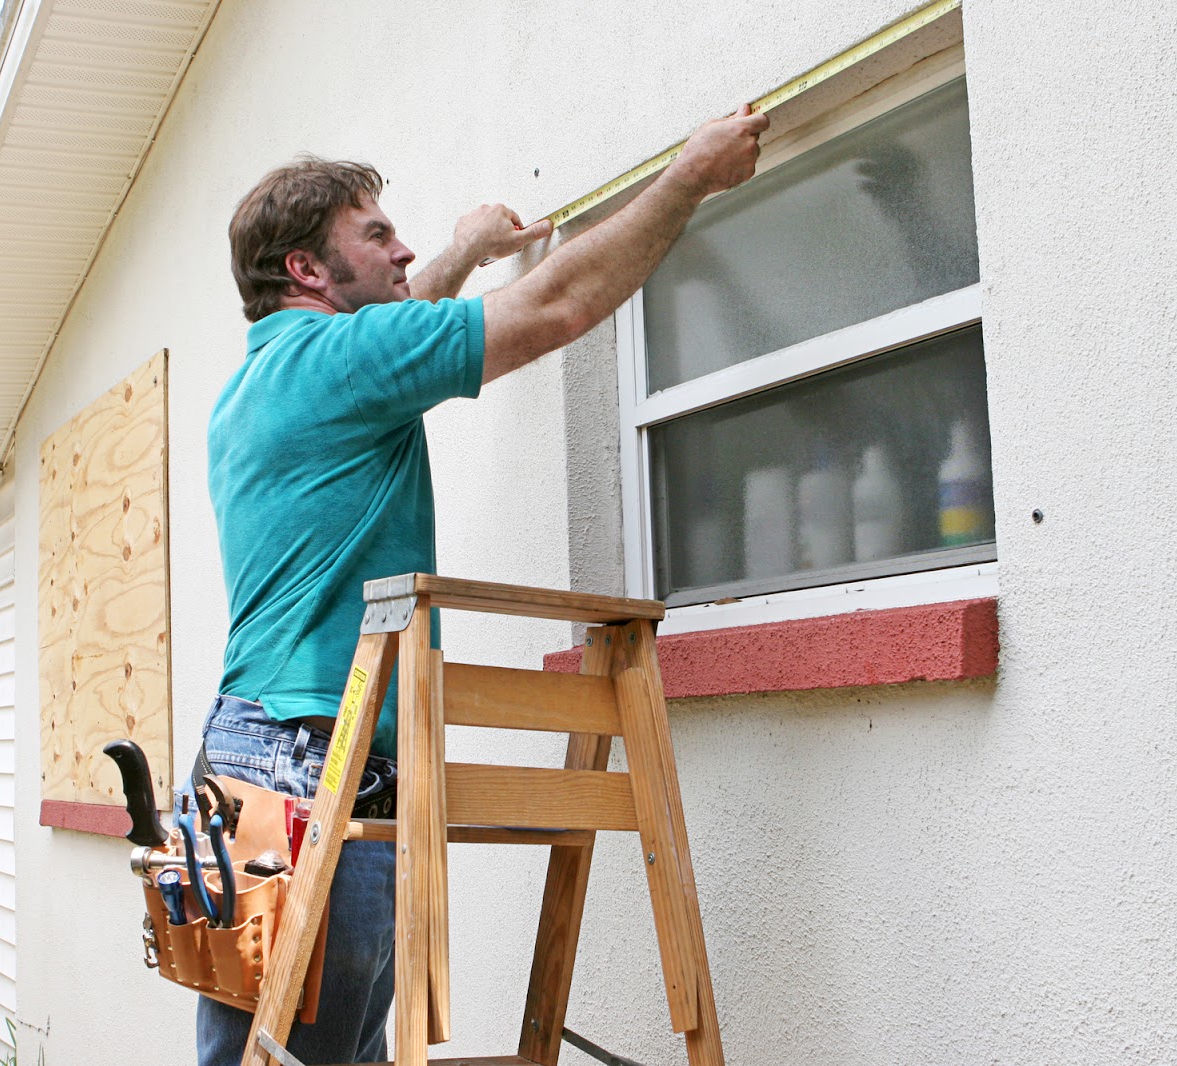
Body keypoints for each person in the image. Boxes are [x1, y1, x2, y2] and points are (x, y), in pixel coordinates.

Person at [195, 103, 768, 1065]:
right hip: (313, 764)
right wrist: (689, 177)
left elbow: (403, 325)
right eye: (376, 235)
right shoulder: (341, 359)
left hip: (254, 755)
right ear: (305, 270)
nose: (402, 249)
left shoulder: (261, 379)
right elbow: (556, 308)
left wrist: (463, 248)